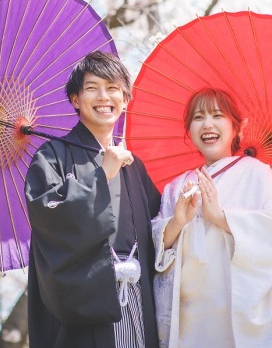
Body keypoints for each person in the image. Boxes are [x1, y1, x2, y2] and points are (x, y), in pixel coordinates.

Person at [25, 51, 161, 348]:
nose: (104, 97)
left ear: (125, 100)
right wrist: (102, 175)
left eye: (113, 88)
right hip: (87, 304)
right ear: (75, 99)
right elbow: (50, 218)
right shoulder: (52, 157)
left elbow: (154, 228)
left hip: (137, 300)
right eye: (92, 88)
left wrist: (179, 219)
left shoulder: (133, 165)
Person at [152, 87, 272, 348]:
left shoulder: (257, 174)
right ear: (189, 130)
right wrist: (177, 222)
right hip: (189, 317)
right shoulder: (177, 187)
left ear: (236, 127)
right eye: (198, 117)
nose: (207, 124)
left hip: (234, 313)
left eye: (217, 115)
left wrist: (221, 217)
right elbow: (155, 244)